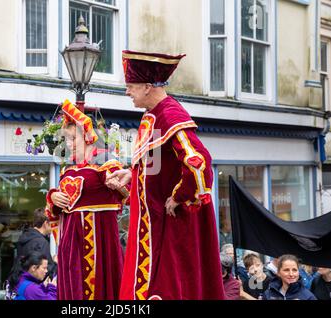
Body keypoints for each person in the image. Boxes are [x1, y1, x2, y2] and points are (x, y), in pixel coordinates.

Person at [106, 50, 224, 300]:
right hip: (151, 224)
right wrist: (132, 173)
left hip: (167, 225)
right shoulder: (154, 115)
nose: (127, 92)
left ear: (148, 87)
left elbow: (198, 161)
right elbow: (158, 161)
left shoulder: (170, 115)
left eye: (131, 86)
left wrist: (180, 196)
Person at [45, 100, 127, 300]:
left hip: (97, 243)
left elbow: (128, 189)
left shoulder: (105, 162)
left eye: (73, 138)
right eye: (66, 139)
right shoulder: (67, 170)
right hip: (70, 247)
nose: (69, 144)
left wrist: (119, 186)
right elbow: (54, 211)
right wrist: (53, 197)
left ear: (89, 137)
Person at [16, 208, 57, 279]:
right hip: (35, 284)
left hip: (22, 281)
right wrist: (55, 263)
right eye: (53, 223)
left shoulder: (24, 237)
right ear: (46, 223)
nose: (55, 227)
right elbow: (46, 271)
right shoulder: (42, 242)